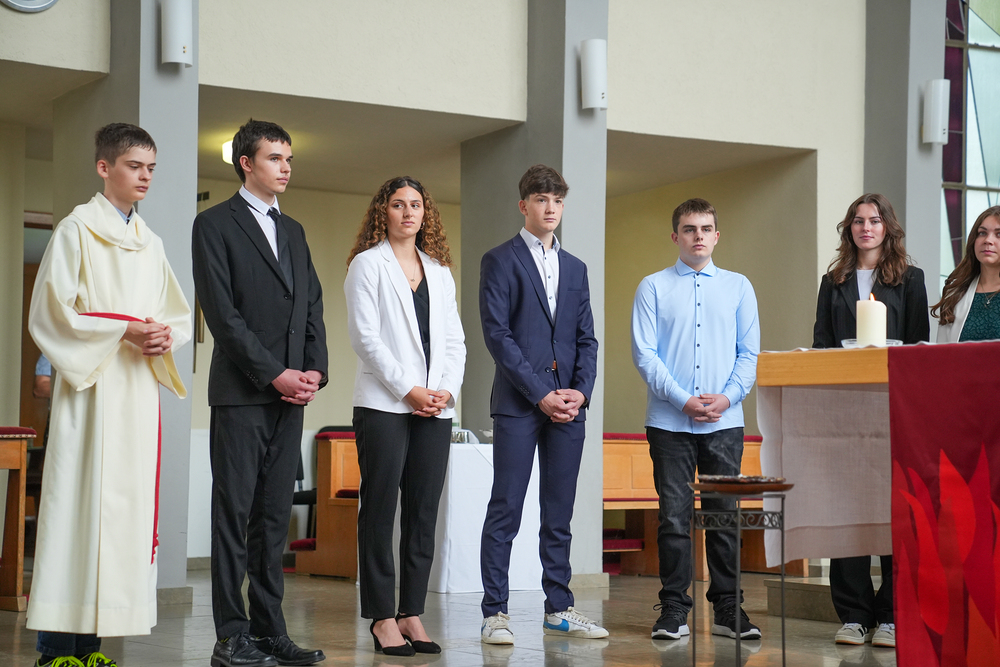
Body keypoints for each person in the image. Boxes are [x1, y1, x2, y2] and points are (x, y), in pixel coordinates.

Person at [26, 123, 192, 667]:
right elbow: (50, 314)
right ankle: (56, 651)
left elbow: (175, 315)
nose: (145, 177)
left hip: (135, 394)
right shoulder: (75, 230)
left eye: (151, 168)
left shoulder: (150, 242)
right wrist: (123, 330)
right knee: (77, 510)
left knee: (120, 517)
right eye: (134, 166)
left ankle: (93, 648)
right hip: (91, 389)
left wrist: (162, 336)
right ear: (105, 168)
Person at [192, 119, 327, 667]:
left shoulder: (293, 230)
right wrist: (274, 373)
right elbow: (222, 316)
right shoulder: (213, 224)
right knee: (234, 515)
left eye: (288, 158)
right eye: (275, 158)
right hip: (242, 393)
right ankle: (231, 636)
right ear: (246, 163)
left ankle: (270, 631)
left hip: (291, 397)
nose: (286, 167)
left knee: (273, 519)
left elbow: (311, 304)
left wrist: (314, 371)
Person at [478, 164, 606, 645]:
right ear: (524, 205)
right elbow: (498, 335)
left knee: (559, 513)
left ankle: (559, 608)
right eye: (540, 199)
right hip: (518, 404)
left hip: (569, 407)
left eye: (557, 200)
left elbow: (586, 338)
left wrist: (580, 392)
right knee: (506, 508)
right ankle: (495, 612)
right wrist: (540, 393)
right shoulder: (500, 259)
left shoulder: (576, 268)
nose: (550, 208)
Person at [344, 176, 466, 656]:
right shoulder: (366, 265)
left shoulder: (439, 272)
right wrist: (408, 390)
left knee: (423, 511)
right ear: (384, 212)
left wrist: (445, 391)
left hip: (434, 406)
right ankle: (381, 616)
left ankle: (410, 611)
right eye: (398, 204)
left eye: (416, 204)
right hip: (384, 404)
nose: (408, 212)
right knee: (380, 509)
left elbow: (454, 340)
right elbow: (365, 338)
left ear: (425, 213)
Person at [631, 197, 761, 642]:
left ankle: (728, 608)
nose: (698, 236)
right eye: (689, 229)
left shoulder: (739, 287)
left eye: (706, 228)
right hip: (669, 423)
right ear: (676, 236)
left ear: (717, 236)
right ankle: (673, 610)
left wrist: (726, 398)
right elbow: (645, 355)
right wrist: (684, 400)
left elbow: (749, 353)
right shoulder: (652, 287)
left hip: (725, 422)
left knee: (723, 514)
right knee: (673, 517)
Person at [812, 193, 929, 648]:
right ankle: (854, 614)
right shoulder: (834, 281)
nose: (866, 228)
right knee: (849, 508)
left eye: (874, 220)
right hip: (845, 407)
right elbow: (822, 343)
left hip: (894, 405)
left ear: (887, 228)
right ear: (850, 229)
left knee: (895, 508)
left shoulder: (911, 279)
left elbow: (918, 345)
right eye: (858, 221)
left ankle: (893, 613)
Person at [933, 205, 1000, 342]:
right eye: (982, 233)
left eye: (999, 234)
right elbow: (943, 349)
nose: (988, 240)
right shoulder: (955, 293)